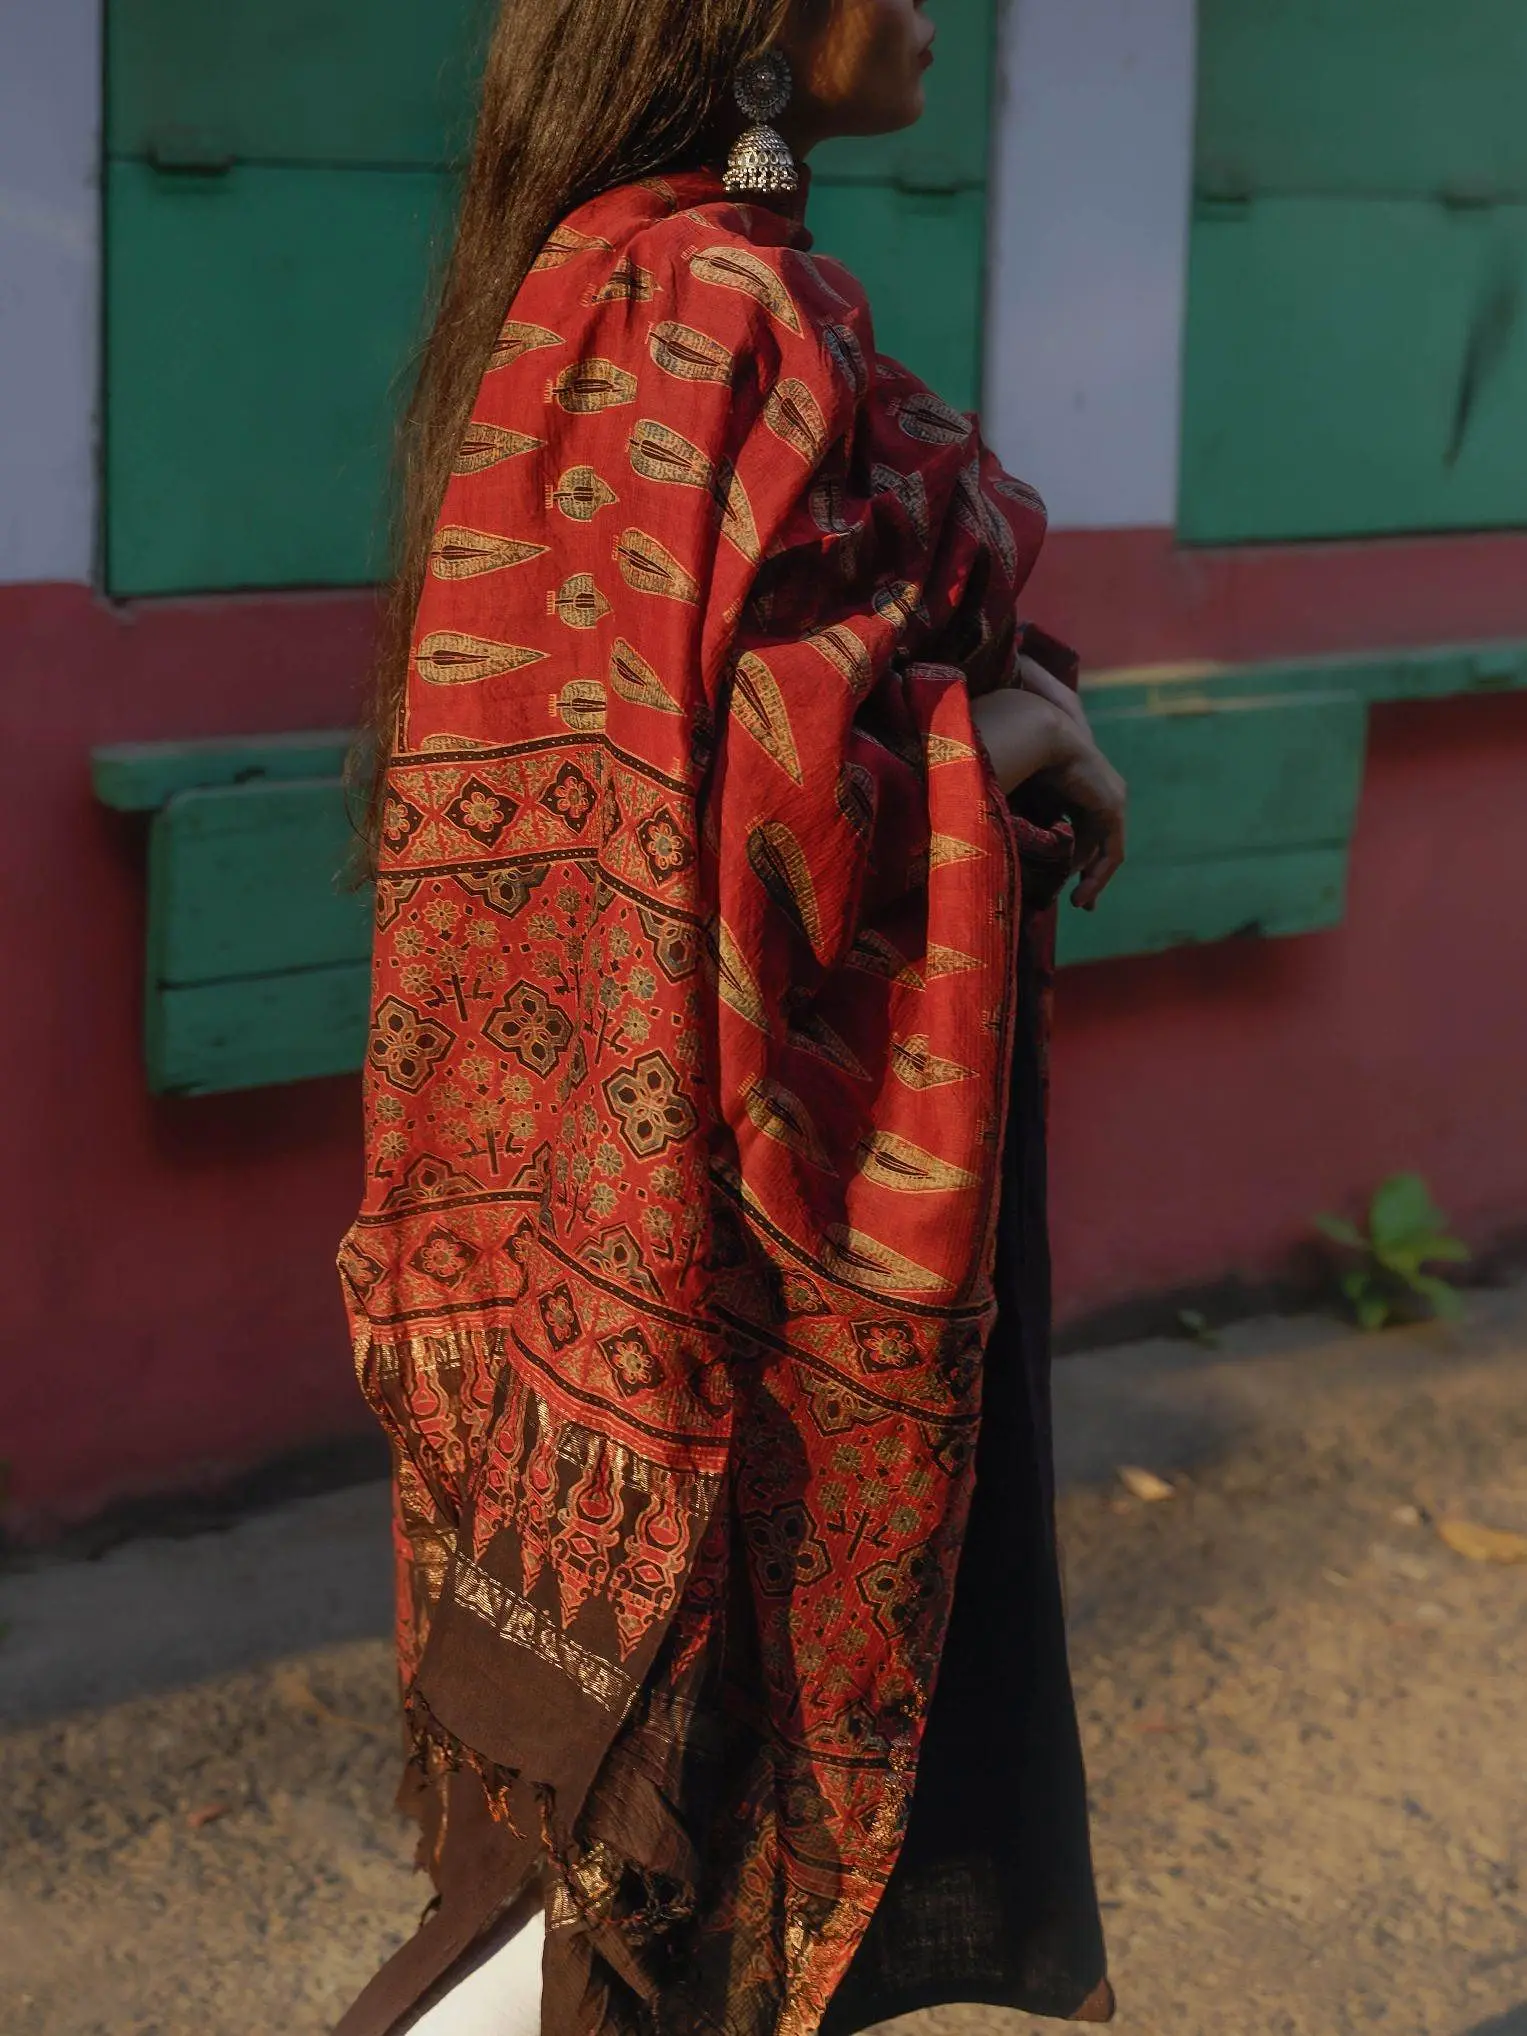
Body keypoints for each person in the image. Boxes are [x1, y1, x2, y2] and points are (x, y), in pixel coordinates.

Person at [335, 1, 1127, 2031]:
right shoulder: (690, 295)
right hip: (725, 1225)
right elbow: (746, 806)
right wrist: (1014, 726)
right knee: (649, 1844)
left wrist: (965, 716)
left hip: (681, 1176)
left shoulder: (654, 277)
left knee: (637, 1865)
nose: (938, 15)